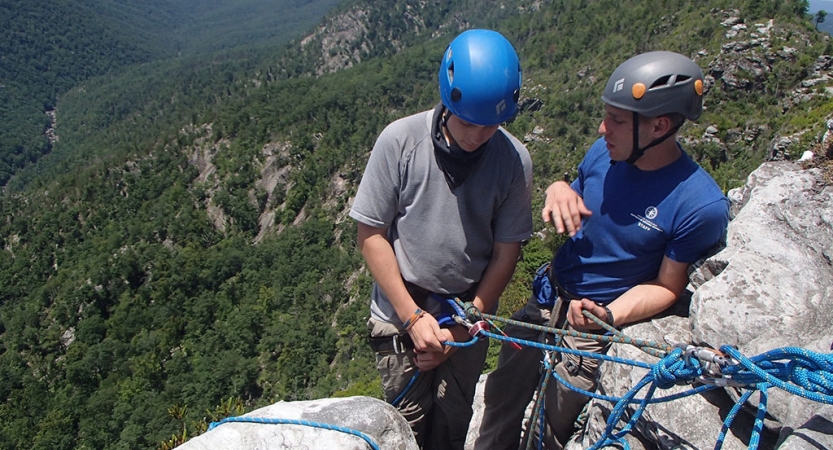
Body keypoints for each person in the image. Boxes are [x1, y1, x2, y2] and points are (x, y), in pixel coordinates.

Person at [474, 51, 731, 450]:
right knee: (500, 401)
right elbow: (578, 191)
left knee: (550, 428)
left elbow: (668, 286)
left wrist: (609, 316)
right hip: (547, 301)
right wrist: (558, 188)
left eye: (616, 119)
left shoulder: (699, 205)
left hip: (591, 327)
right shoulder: (604, 152)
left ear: (659, 125)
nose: (602, 127)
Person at [349, 29, 533, 450]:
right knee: (406, 424)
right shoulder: (400, 142)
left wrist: (464, 327)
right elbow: (371, 234)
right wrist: (413, 319)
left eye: (491, 126)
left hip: (467, 311)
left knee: (453, 421)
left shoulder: (513, 161)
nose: (477, 136)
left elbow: (507, 252)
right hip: (400, 313)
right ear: (448, 102)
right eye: (468, 122)